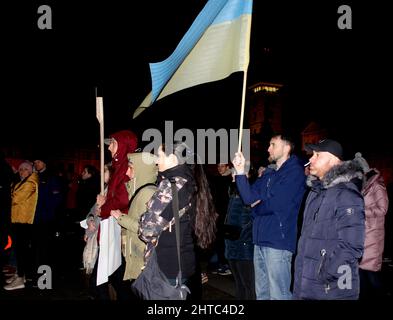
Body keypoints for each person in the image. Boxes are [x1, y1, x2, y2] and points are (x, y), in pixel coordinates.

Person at [138, 142, 217, 299]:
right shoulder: (191, 183)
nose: (156, 161)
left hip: (166, 264)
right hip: (183, 261)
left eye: (159, 156)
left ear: (173, 159)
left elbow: (146, 231)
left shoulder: (170, 187)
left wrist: (144, 215)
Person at [232, 133, 306, 300]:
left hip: (278, 242)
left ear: (286, 147)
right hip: (259, 240)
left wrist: (256, 207)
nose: (268, 148)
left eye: (273, 145)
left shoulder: (294, 173)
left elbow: (277, 204)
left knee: (279, 295)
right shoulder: (269, 174)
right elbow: (248, 198)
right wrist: (240, 172)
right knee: (262, 294)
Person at [293, 139, 365, 300]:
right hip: (306, 285)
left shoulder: (347, 194)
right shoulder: (315, 192)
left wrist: (324, 272)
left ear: (334, 159)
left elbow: (351, 246)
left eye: (317, 154)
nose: (311, 159)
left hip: (331, 288)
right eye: (312, 154)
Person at [95, 129, 138, 300]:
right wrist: (104, 200)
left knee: (116, 277)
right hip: (114, 227)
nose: (109, 148)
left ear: (122, 145)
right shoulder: (118, 167)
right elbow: (114, 196)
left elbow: (123, 199)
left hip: (122, 230)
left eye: (112, 143)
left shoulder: (127, 167)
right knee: (114, 276)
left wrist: (104, 207)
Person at [110, 152, 157, 286]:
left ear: (142, 170)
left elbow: (148, 229)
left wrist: (121, 218)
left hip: (143, 259)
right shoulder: (138, 191)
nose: (126, 172)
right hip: (135, 256)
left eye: (130, 168)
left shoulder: (148, 193)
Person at [353, 152, 389, 299]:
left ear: (364, 171)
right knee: (362, 275)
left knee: (372, 275)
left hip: (373, 236)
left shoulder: (377, 185)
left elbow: (383, 209)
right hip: (363, 235)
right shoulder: (364, 185)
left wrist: (361, 210)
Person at [4, 161, 39, 290]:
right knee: (19, 250)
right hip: (18, 220)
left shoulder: (31, 182)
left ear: (30, 171)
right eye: (20, 169)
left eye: (25, 169)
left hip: (24, 222)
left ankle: (20, 278)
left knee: (22, 251)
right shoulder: (23, 182)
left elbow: (16, 197)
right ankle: (20, 275)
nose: (22, 171)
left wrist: (11, 189)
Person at [224, 164, 257, 300]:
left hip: (244, 247)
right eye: (232, 172)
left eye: (235, 172)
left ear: (247, 175)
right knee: (239, 284)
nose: (232, 175)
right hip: (232, 246)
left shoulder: (249, 194)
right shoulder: (233, 193)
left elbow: (248, 223)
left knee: (248, 285)